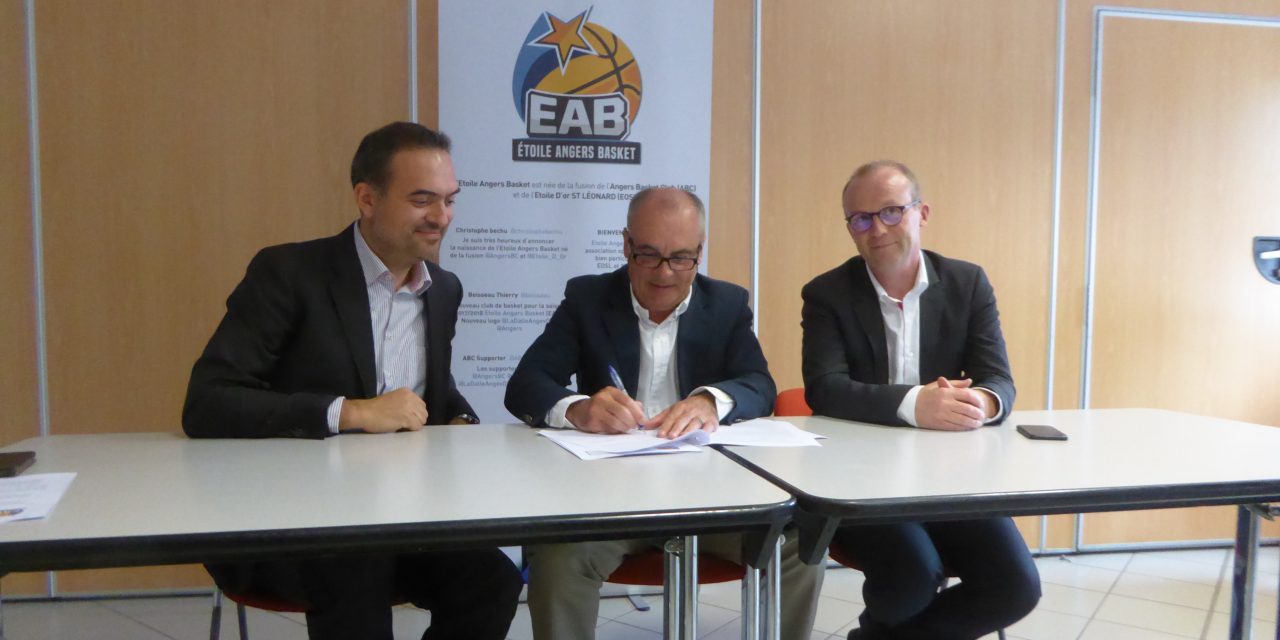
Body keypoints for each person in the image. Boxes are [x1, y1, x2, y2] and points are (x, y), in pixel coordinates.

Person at [182, 122, 521, 640]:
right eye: (422, 200)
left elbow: (432, 391)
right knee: (357, 573)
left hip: (401, 516)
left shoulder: (444, 289)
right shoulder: (289, 273)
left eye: (450, 200)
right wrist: (352, 411)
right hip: (293, 517)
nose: (441, 217)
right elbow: (208, 402)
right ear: (367, 198)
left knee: (492, 580)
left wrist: (458, 420)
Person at [505, 187, 823, 640]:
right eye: (649, 255)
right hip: (607, 501)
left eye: (681, 258)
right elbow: (526, 384)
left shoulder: (726, 304)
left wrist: (710, 400)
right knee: (559, 560)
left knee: (797, 549)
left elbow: (759, 384)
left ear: (699, 252)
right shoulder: (588, 299)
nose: (664, 272)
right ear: (626, 244)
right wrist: (578, 408)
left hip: (710, 497)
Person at [801, 161, 1040, 640]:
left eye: (891, 211)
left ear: (922, 213)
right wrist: (916, 404)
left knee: (1016, 587)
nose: (877, 229)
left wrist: (981, 404)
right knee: (912, 574)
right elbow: (824, 388)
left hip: (949, 479)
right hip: (859, 483)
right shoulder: (827, 293)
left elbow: (998, 380)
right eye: (861, 219)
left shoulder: (967, 283)